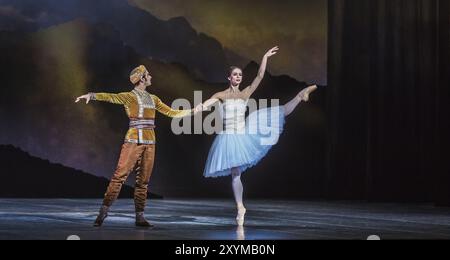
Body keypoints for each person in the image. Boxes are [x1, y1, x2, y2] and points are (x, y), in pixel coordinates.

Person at [198, 47, 317, 226]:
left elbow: (259, 76)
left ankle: (300, 96)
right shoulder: (221, 95)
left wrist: (264, 58)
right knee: (235, 173)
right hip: (229, 137)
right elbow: (209, 102)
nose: (238, 77)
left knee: (279, 112)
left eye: (240, 75)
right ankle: (240, 208)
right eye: (235, 75)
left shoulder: (245, 93)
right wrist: (200, 107)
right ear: (229, 77)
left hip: (244, 131)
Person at [75, 65, 200, 227]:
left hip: (150, 143)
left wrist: (193, 111)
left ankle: (140, 216)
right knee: (119, 177)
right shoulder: (129, 97)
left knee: (144, 181)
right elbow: (110, 97)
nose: (150, 76)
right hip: (133, 141)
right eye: (148, 74)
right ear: (141, 78)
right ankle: (103, 211)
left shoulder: (154, 99)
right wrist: (91, 96)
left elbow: (171, 112)